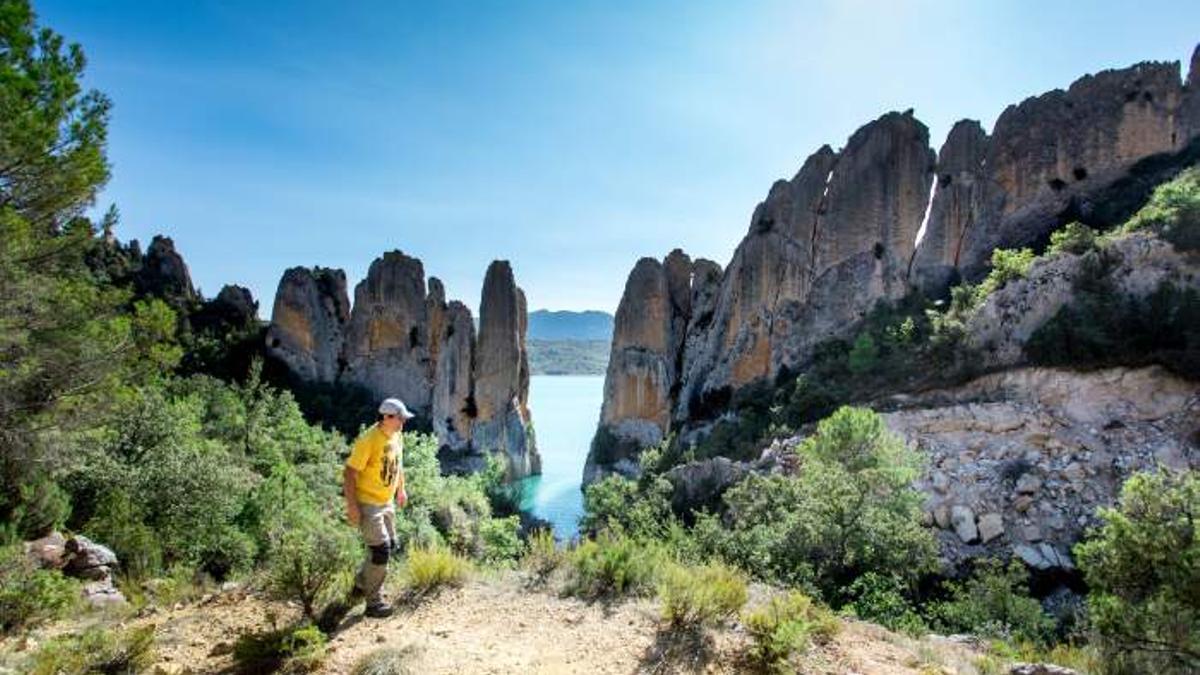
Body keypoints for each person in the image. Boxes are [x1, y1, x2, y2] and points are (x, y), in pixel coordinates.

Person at [344, 397, 413, 618]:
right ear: (387, 417)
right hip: (369, 504)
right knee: (380, 551)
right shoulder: (369, 440)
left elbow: (398, 464)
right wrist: (353, 506)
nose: (403, 422)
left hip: (387, 502)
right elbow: (349, 473)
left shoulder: (396, 436)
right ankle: (373, 603)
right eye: (400, 418)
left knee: (389, 546)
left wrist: (401, 489)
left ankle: (360, 585)